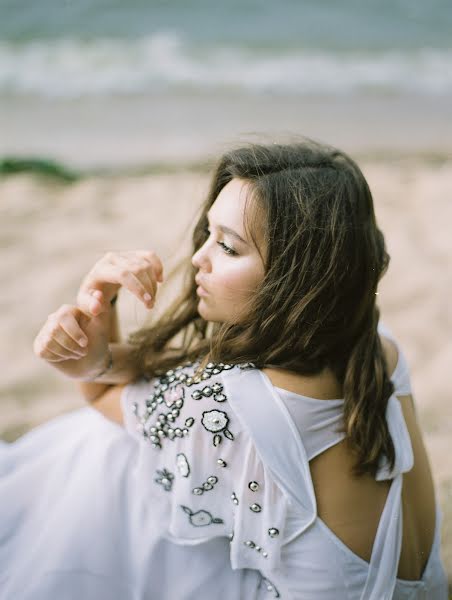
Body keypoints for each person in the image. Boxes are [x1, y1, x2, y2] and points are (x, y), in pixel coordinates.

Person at [0, 140, 448, 599]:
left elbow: (101, 399)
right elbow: (168, 381)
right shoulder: (377, 344)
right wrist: (107, 352)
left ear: (294, 279)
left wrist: (95, 336)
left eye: (229, 248)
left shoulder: (235, 407)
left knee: (110, 453)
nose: (199, 257)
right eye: (209, 233)